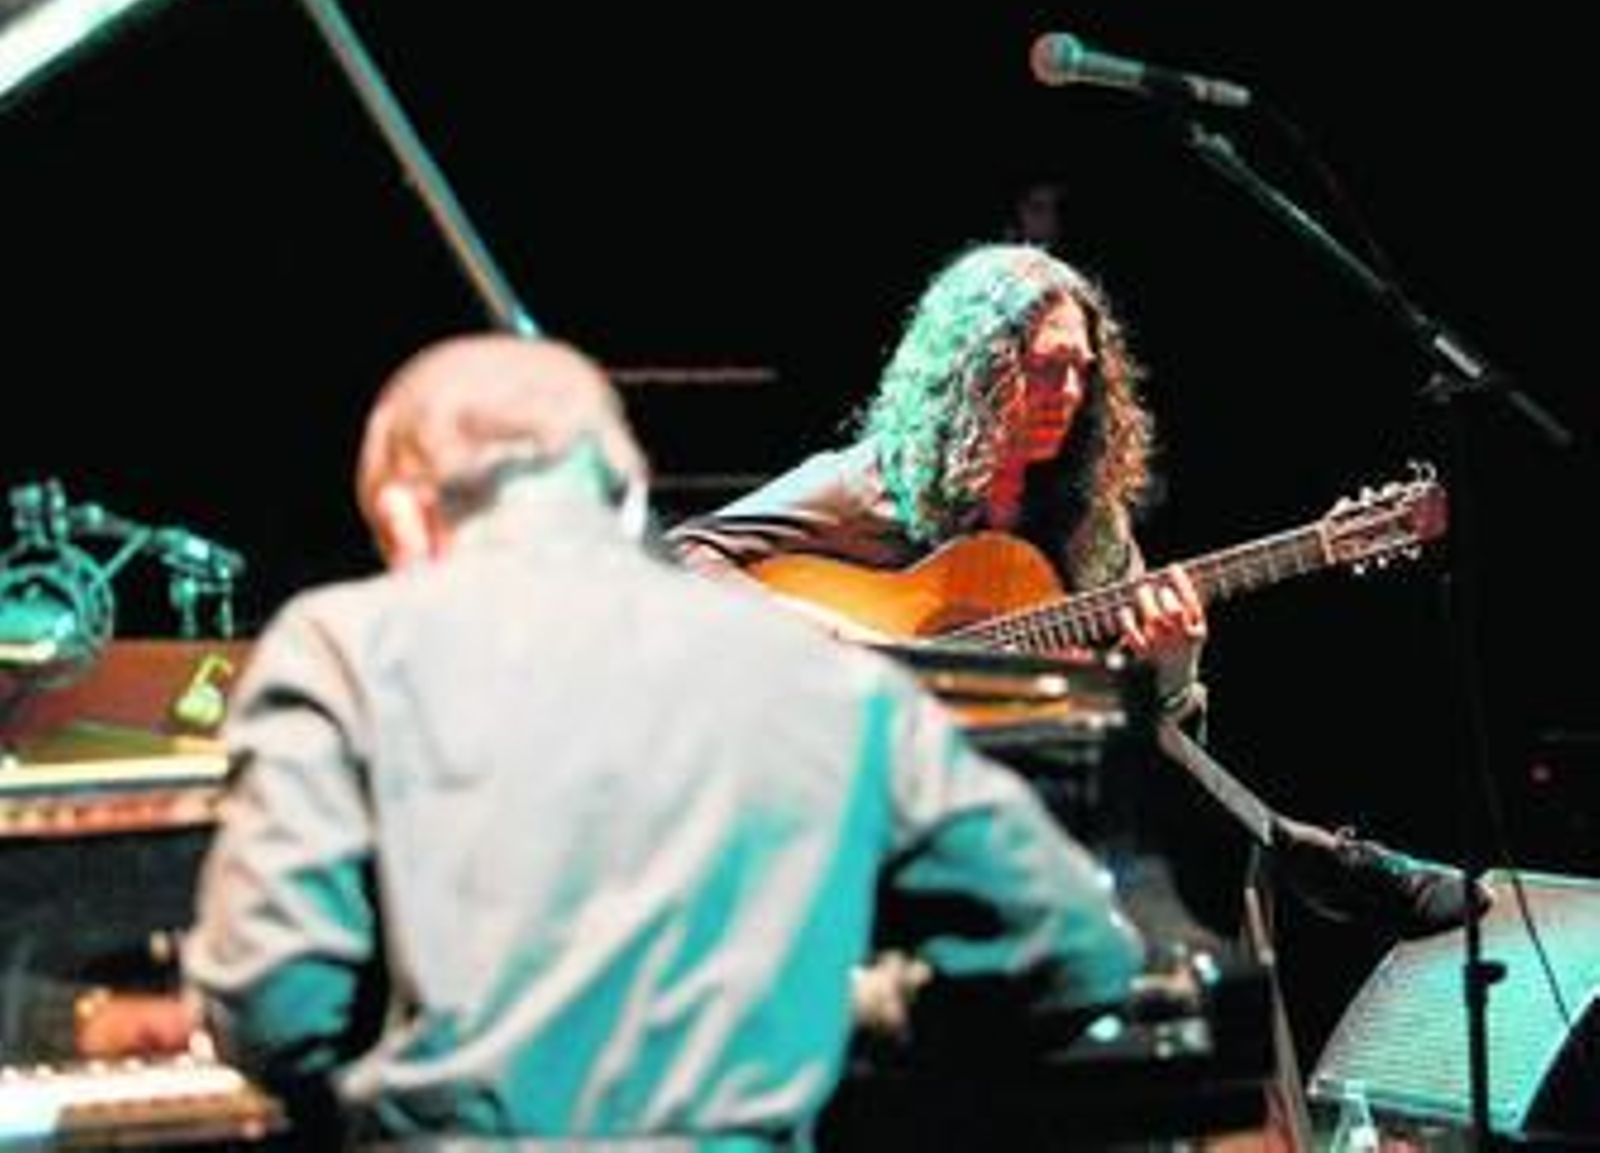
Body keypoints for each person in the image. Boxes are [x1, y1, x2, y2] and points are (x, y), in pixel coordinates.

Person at [179, 333, 1147, 1148]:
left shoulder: (341, 646)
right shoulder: (825, 677)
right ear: (632, 498)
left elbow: (274, 1014)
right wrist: (842, 1020)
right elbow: (1076, 950)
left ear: (403, 514)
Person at [666, 240, 1494, 944]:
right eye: (1042, 369)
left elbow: (1151, 733)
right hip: (858, 785)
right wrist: (832, 640)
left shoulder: (1089, 529)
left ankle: (1285, 895)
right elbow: (680, 556)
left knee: (1142, 755)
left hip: (1018, 800)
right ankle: (1315, 858)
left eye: (1080, 373)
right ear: (973, 373)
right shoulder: (867, 486)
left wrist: (1173, 668)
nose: (1067, 394)